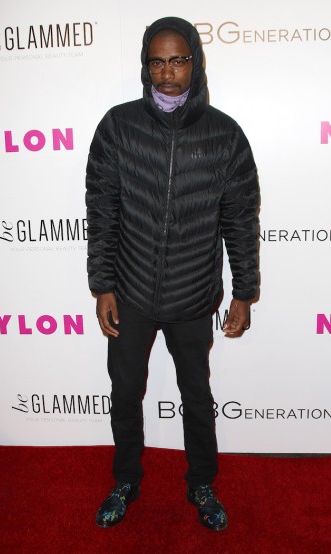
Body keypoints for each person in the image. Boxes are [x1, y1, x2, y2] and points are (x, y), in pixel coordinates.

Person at [86, 16, 259, 532]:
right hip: (132, 292)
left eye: (178, 60)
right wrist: (103, 286)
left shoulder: (225, 135)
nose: (167, 73)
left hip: (192, 294)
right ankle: (126, 480)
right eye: (157, 61)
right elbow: (102, 211)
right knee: (124, 392)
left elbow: (240, 220)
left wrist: (244, 293)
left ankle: (201, 481)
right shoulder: (118, 127)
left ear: (195, 64)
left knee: (197, 397)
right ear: (146, 65)